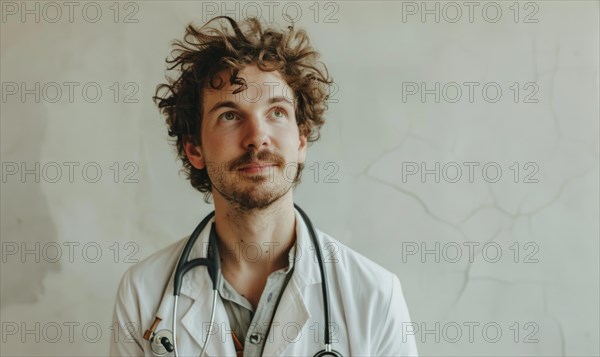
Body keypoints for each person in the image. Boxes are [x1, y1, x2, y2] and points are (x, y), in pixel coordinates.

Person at [110, 16, 418, 356]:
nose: (257, 136)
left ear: (301, 140)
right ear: (194, 148)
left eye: (277, 112)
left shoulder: (373, 295)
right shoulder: (143, 294)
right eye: (229, 115)